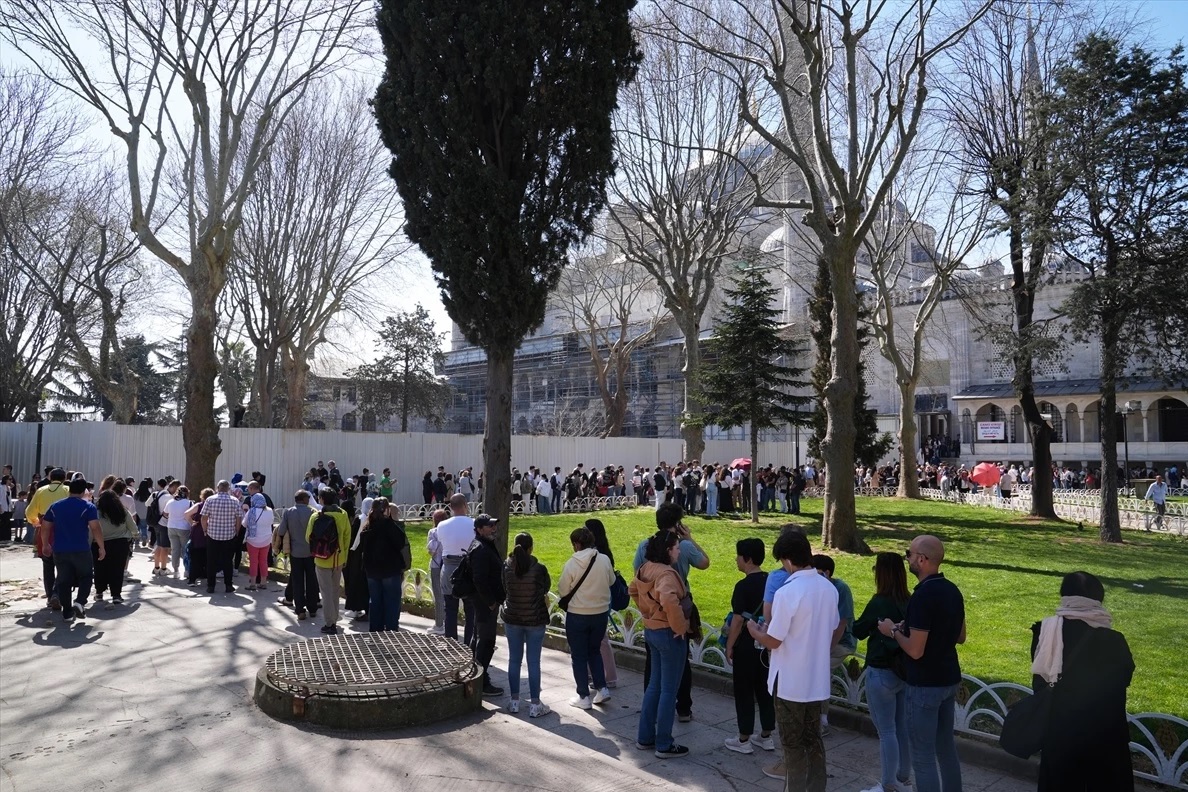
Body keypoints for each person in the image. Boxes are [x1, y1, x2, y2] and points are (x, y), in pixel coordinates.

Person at [748, 529, 840, 792]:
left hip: (790, 682)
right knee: (814, 741)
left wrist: (756, 632)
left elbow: (774, 640)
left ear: (788, 560)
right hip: (816, 680)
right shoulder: (828, 588)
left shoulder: (788, 592)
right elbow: (831, 625)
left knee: (792, 744)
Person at [1028, 571, 1134, 791]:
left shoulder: (1045, 632)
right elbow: (1124, 678)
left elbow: (1039, 681)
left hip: (1060, 732)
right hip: (1105, 734)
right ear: (1098, 599)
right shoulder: (1113, 640)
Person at [878, 535, 966, 792]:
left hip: (925, 684)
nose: (907, 558)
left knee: (923, 756)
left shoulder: (923, 595)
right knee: (945, 749)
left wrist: (892, 631)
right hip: (949, 678)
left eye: (909, 553)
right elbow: (960, 636)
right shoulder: (952, 590)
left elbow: (916, 650)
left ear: (922, 559)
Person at [632, 502, 710, 723]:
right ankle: (683, 707)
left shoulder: (644, 545)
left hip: (653, 609)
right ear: (678, 523)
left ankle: (650, 706)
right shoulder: (682, 546)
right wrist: (690, 538)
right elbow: (705, 563)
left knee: (653, 661)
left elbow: (636, 575)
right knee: (680, 659)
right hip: (677, 607)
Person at [853, 552, 913, 792]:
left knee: (886, 731)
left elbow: (859, 630)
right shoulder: (909, 601)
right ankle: (903, 777)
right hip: (903, 672)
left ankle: (889, 783)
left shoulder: (879, 601)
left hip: (881, 672)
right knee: (901, 728)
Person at [629, 530, 690, 758]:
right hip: (668, 633)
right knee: (668, 690)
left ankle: (645, 738)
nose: (679, 550)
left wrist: (648, 611)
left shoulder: (645, 568)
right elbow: (667, 598)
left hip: (652, 630)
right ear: (668, 550)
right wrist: (680, 627)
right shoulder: (666, 573)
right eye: (676, 547)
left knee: (655, 686)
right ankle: (664, 743)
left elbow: (633, 589)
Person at [723, 538, 776, 756]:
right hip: (766, 645)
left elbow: (737, 621)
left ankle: (743, 737)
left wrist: (729, 645)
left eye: (738, 555)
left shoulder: (742, 586)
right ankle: (766, 735)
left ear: (748, 559)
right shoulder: (771, 581)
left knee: (744, 690)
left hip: (746, 644)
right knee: (765, 690)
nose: (736, 559)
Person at [558, 526, 616, 710]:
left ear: (576, 544)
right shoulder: (604, 559)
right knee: (594, 651)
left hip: (578, 614)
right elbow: (612, 581)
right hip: (599, 614)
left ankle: (583, 695)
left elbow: (563, 590)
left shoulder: (571, 564)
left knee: (579, 656)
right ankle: (602, 688)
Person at [40, 478, 106, 621]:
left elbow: (45, 526)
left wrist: (45, 544)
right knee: (86, 576)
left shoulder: (55, 506)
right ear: (84, 491)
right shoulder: (88, 507)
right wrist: (101, 546)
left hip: (60, 550)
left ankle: (67, 613)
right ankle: (80, 601)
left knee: (63, 580)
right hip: (81, 549)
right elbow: (95, 527)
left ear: (69, 490)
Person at [501, 532, 552, 717]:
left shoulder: (506, 567)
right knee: (533, 662)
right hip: (534, 619)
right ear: (531, 548)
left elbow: (505, 589)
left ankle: (514, 701)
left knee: (514, 660)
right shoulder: (539, 568)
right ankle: (535, 704)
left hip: (513, 618)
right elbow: (546, 587)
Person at [811, 553, 856, 735]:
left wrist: (825, 650)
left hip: (840, 643)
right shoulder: (817, 587)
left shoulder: (840, 589)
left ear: (827, 573)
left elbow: (841, 625)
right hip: (821, 641)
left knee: (819, 671)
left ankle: (822, 719)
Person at [356, 498, 410, 632]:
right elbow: (400, 543)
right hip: (390, 569)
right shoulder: (390, 526)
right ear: (387, 510)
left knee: (375, 601)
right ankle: (391, 630)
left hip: (372, 570)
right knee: (391, 601)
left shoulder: (368, 527)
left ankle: (375, 630)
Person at [466, 514, 506, 696]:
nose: (493, 528)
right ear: (479, 529)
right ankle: (481, 681)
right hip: (484, 603)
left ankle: (474, 674)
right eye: (490, 526)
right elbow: (479, 579)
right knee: (486, 641)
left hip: (484, 601)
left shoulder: (484, 545)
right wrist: (490, 602)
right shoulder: (481, 549)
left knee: (479, 638)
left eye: (494, 525)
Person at [306, 487, 352, 634]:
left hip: (322, 559)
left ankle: (329, 623)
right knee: (335, 590)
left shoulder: (316, 515)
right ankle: (335, 617)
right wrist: (344, 556)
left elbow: (308, 537)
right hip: (338, 559)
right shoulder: (343, 514)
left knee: (325, 592)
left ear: (321, 499)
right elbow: (346, 536)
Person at [436, 494, 476, 642]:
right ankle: (469, 644)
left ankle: (451, 644)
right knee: (470, 609)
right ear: (465, 505)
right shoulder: (473, 523)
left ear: (451, 507)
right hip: (467, 568)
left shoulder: (442, 525)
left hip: (448, 567)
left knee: (450, 608)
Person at [28, 468, 70, 610]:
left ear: (50, 477)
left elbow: (30, 511)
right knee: (63, 565)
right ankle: (57, 594)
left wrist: (35, 521)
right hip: (63, 529)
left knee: (47, 565)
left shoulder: (41, 490)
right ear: (64, 478)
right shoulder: (67, 490)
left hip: (45, 528)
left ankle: (50, 595)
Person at [585, 518, 619, 688]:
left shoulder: (602, 555)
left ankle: (610, 676)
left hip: (598, 601)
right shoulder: (597, 553)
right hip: (595, 600)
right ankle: (593, 673)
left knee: (601, 640)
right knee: (594, 640)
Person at [276, 490, 320, 620]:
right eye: (307, 497)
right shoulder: (313, 512)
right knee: (312, 579)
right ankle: (312, 608)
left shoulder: (289, 512)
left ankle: (300, 609)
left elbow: (282, 530)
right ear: (303, 499)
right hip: (310, 552)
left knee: (297, 580)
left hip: (295, 551)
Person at [92, 489, 137, 608]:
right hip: (120, 543)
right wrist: (134, 535)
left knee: (99, 568)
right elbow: (132, 526)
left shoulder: (96, 512)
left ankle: (99, 592)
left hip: (99, 543)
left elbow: (92, 528)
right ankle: (116, 595)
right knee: (117, 569)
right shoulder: (122, 511)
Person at [201, 481, 241, 594]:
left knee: (211, 561)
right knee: (228, 561)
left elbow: (204, 517)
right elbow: (239, 519)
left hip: (212, 534)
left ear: (218, 488)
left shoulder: (210, 500)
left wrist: (205, 530)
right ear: (228, 488)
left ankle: (211, 586)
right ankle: (228, 585)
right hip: (229, 535)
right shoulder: (235, 501)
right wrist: (236, 531)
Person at [242, 493, 274, 591]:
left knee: (253, 562)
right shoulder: (269, 511)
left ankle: (253, 583)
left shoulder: (251, 511)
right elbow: (272, 522)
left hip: (253, 540)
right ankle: (263, 582)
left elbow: (244, 524)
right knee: (263, 561)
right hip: (266, 540)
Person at [426, 508, 448, 634]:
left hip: (436, 565)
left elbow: (431, 550)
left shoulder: (433, 532)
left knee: (438, 596)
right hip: (448, 564)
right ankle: (446, 622)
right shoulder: (450, 531)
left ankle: (439, 625)